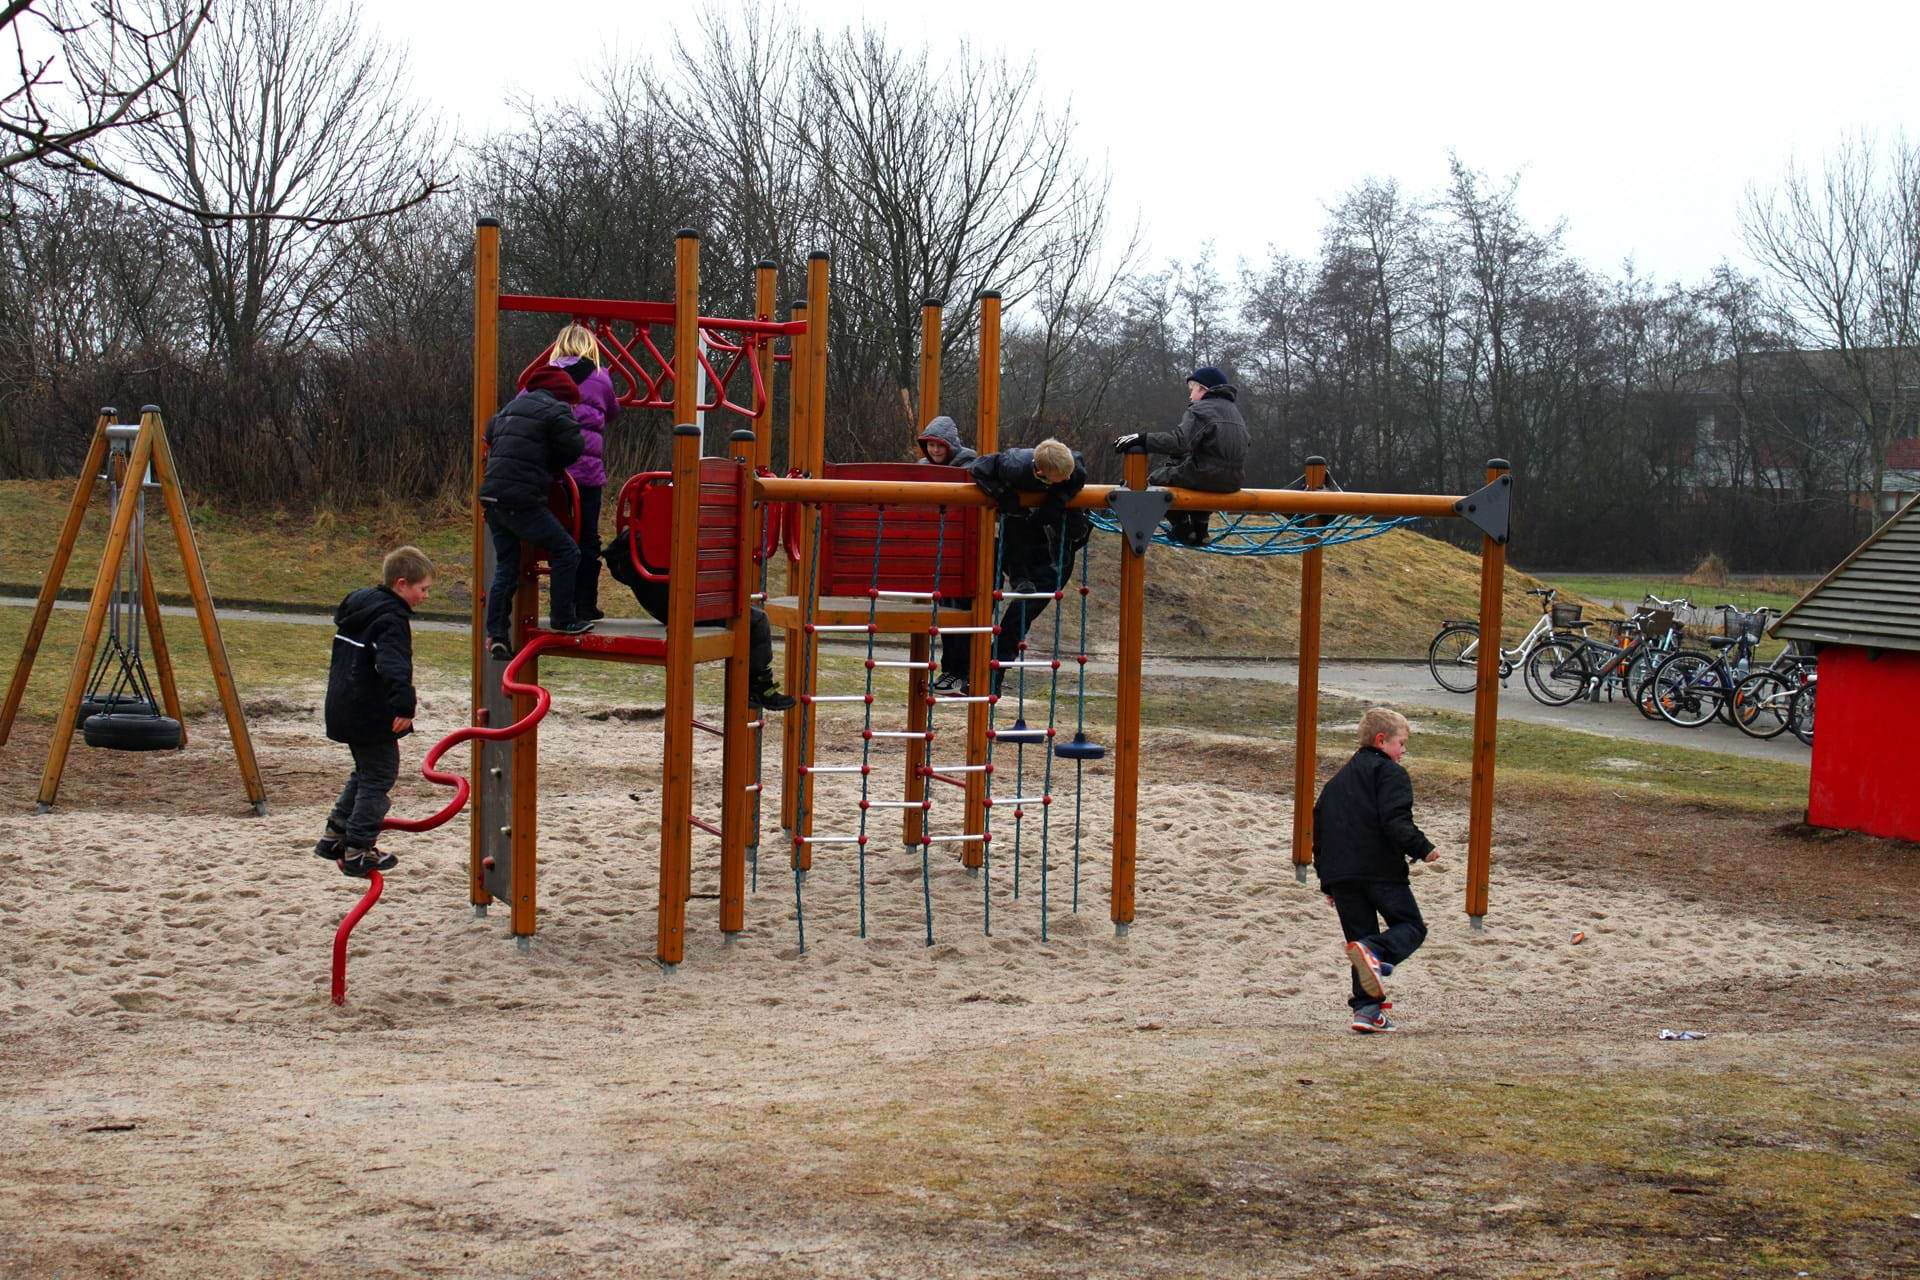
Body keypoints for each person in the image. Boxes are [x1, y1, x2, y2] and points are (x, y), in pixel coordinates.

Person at [1312, 707, 1439, 1034]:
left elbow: (1320, 832)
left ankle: (1367, 1011)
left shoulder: (1335, 783)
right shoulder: (1391, 774)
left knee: (1360, 943)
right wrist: (1422, 848)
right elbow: (1395, 821)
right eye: (1401, 743)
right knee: (1410, 926)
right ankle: (1376, 952)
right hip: (1380, 870)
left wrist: (1328, 881)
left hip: (1342, 875)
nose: (1404, 750)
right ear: (1382, 741)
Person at [316, 547, 433, 877]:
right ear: (401, 584)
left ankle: (335, 834)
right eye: (422, 589)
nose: (425, 596)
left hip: (344, 705)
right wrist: (404, 707)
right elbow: (394, 665)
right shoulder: (391, 619)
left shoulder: (361, 605)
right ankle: (358, 849)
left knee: (366, 772)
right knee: (380, 776)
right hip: (368, 712)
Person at [943, 438, 1088, 696]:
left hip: (1053, 554)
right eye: (1061, 477)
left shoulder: (1072, 469)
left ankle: (992, 675)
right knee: (978, 598)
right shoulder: (1014, 465)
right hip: (1020, 546)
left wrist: (1057, 500)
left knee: (1018, 619)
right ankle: (962, 671)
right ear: (1042, 471)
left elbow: (1075, 476)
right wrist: (1004, 496)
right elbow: (979, 468)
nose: (1068, 477)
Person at [601, 526, 795, 711]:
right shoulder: (684, 534)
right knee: (757, 619)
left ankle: (757, 686)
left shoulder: (638, 539)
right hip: (683, 605)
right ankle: (761, 688)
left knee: (747, 616)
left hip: (659, 603)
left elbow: (612, 559)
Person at [482, 365, 590, 658]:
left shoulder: (509, 408)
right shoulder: (557, 411)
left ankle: (496, 634)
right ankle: (563, 618)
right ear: (564, 394)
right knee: (567, 551)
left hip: (492, 497)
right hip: (522, 499)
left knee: (508, 565)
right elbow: (574, 447)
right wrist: (550, 463)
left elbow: (488, 433)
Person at [1114, 365, 1248, 547]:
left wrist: (1142, 438)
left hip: (1205, 475)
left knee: (1157, 479)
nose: (1190, 395)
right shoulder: (1235, 413)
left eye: (1191, 389)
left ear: (1203, 388)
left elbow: (1179, 442)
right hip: (1234, 480)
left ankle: (1182, 527)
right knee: (1190, 473)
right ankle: (1201, 529)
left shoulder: (1201, 409)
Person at [548, 324, 622, 622]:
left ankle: (560, 606)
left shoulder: (545, 377)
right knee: (587, 539)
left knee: (557, 539)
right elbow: (613, 412)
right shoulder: (600, 378)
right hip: (588, 473)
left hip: (553, 473)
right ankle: (585, 605)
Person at [915, 415, 978, 685]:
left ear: (951, 445)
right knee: (945, 613)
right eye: (930, 445)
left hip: (966, 553)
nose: (935, 451)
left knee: (963, 613)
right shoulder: (922, 469)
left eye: (940, 445)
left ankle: (961, 672)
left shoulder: (969, 467)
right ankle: (952, 671)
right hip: (940, 551)